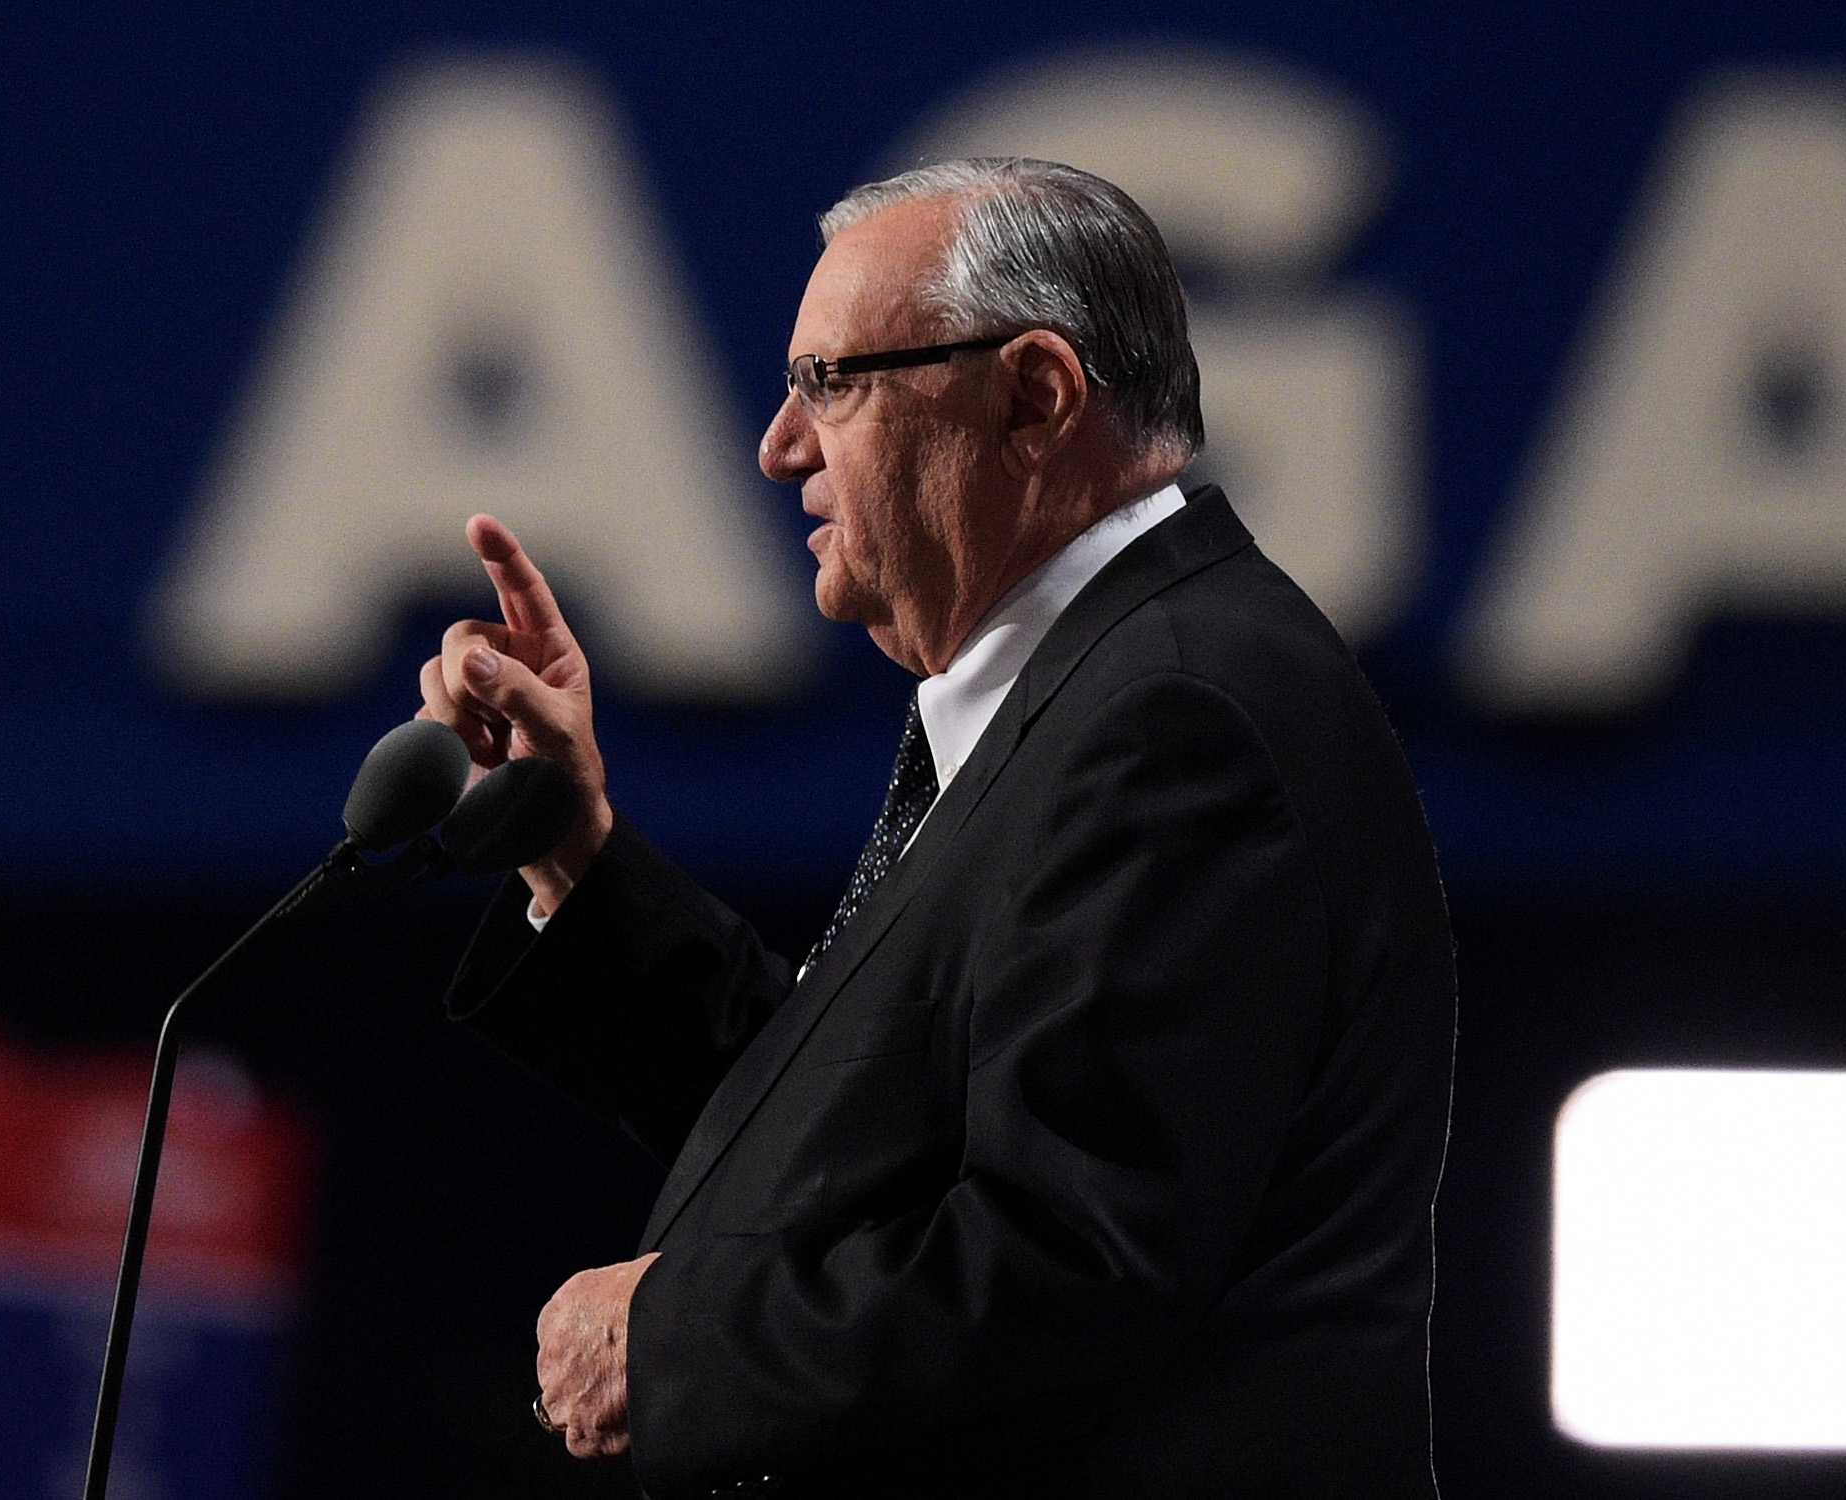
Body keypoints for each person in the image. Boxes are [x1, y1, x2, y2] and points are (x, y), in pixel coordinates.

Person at [418, 158, 1455, 1499]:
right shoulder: (1096, 691)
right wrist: (571, 849)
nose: (779, 447)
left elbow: (1075, 1263)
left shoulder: (1173, 723)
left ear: (1033, 393)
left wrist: (674, 1345)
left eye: (829, 385)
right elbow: (853, 1148)